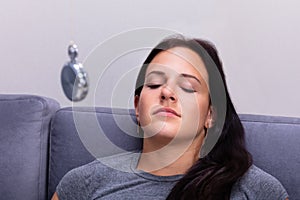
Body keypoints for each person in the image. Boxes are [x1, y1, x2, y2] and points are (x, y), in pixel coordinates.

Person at [52, 36, 289, 200]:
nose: (166, 92)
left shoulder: (256, 189)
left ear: (211, 115)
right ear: (137, 105)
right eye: (154, 83)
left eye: (187, 87)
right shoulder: (84, 183)